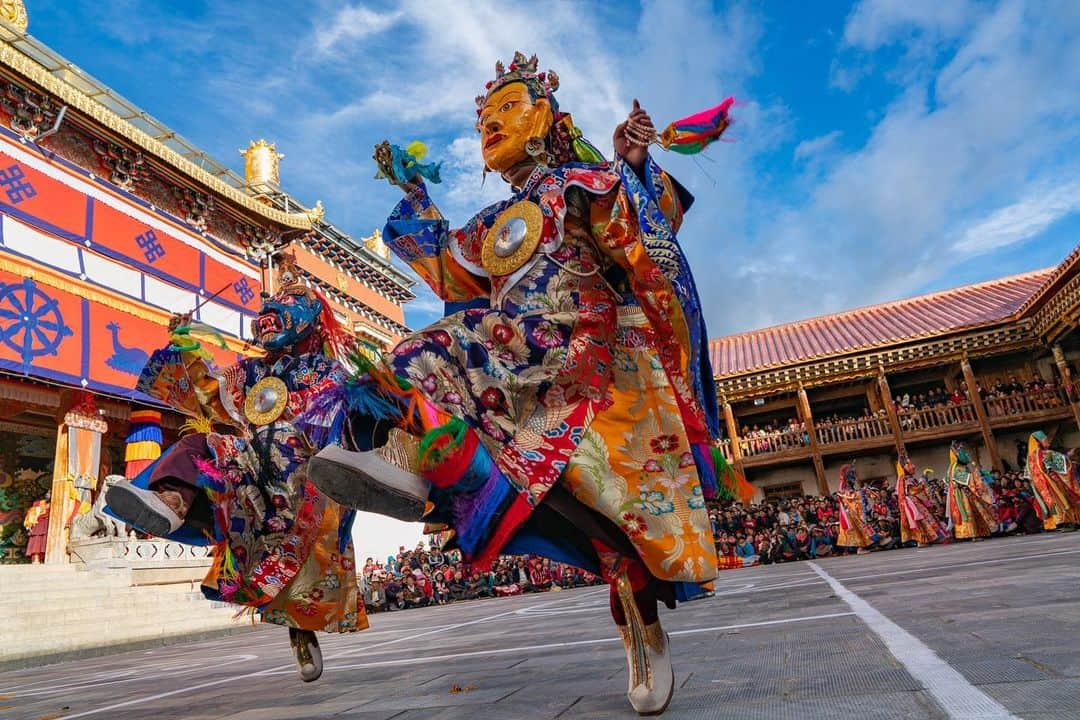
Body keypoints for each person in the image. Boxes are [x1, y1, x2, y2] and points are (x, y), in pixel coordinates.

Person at [305, 52, 749, 715]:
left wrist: (629, 168)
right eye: (485, 116)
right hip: (514, 360)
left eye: (509, 107)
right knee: (420, 351)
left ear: (549, 118)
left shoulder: (587, 185)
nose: (492, 121)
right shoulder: (493, 225)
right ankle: (392, 460)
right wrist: (415, 199)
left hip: (598, 361)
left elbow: (650, 245)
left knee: (621, 521)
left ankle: (643, 628)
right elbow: (454, 281)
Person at [103, 255, 366, 681]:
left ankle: (300, 632)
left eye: (293, 299)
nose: (275, 308)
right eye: (275, 299)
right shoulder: (248, 371)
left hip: (305, 484)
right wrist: (185, 346)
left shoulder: (328, 370)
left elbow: (347, 421)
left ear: (314, 319)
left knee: (299, 589)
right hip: (250, 471)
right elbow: (210, 393)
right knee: (198, 444)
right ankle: (171, 501)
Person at [1026, 431, 1080, 530]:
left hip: (1043, 488)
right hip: (1052, 484)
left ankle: (1061, 522)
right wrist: (1069, 456)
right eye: (1045, 440)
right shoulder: (1045, 454)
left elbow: (1029, 476)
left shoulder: (1029, 459)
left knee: (1055, 504)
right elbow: (1064, 464)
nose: (1048, 443)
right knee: (1061, 501)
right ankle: (1069, 521)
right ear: (1038, 442)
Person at [945, 441, 997, 540]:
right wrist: (976, 474)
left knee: (976, 512)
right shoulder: (956, 467)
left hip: (966, 492)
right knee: (971, 513)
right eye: (961, 452)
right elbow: (964, 479)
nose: (965, 454)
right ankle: (974, 534)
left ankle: (977, 533)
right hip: (964, 494)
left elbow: (948, 480)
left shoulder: (955, 467)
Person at [895, 452, 947, 547]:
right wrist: (923, 479)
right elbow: (915, 490)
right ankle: (922, 540)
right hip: (913, 503)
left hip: (916, 501)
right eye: (909, 464)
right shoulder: (905, 479)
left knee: (926, 518)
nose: (913, 466)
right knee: (921, 520)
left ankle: (929, 538)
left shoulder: (908, 478)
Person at [835, 464, 873, 554]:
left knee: (860, 528)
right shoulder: (844, 486)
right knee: (857, 529)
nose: (854, 477)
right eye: (852, 474)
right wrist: (861, 492)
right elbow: (849, 496)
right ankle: (860, 548)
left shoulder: (849, 485)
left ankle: (862, 547)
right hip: (851, 512)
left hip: (854, 510)